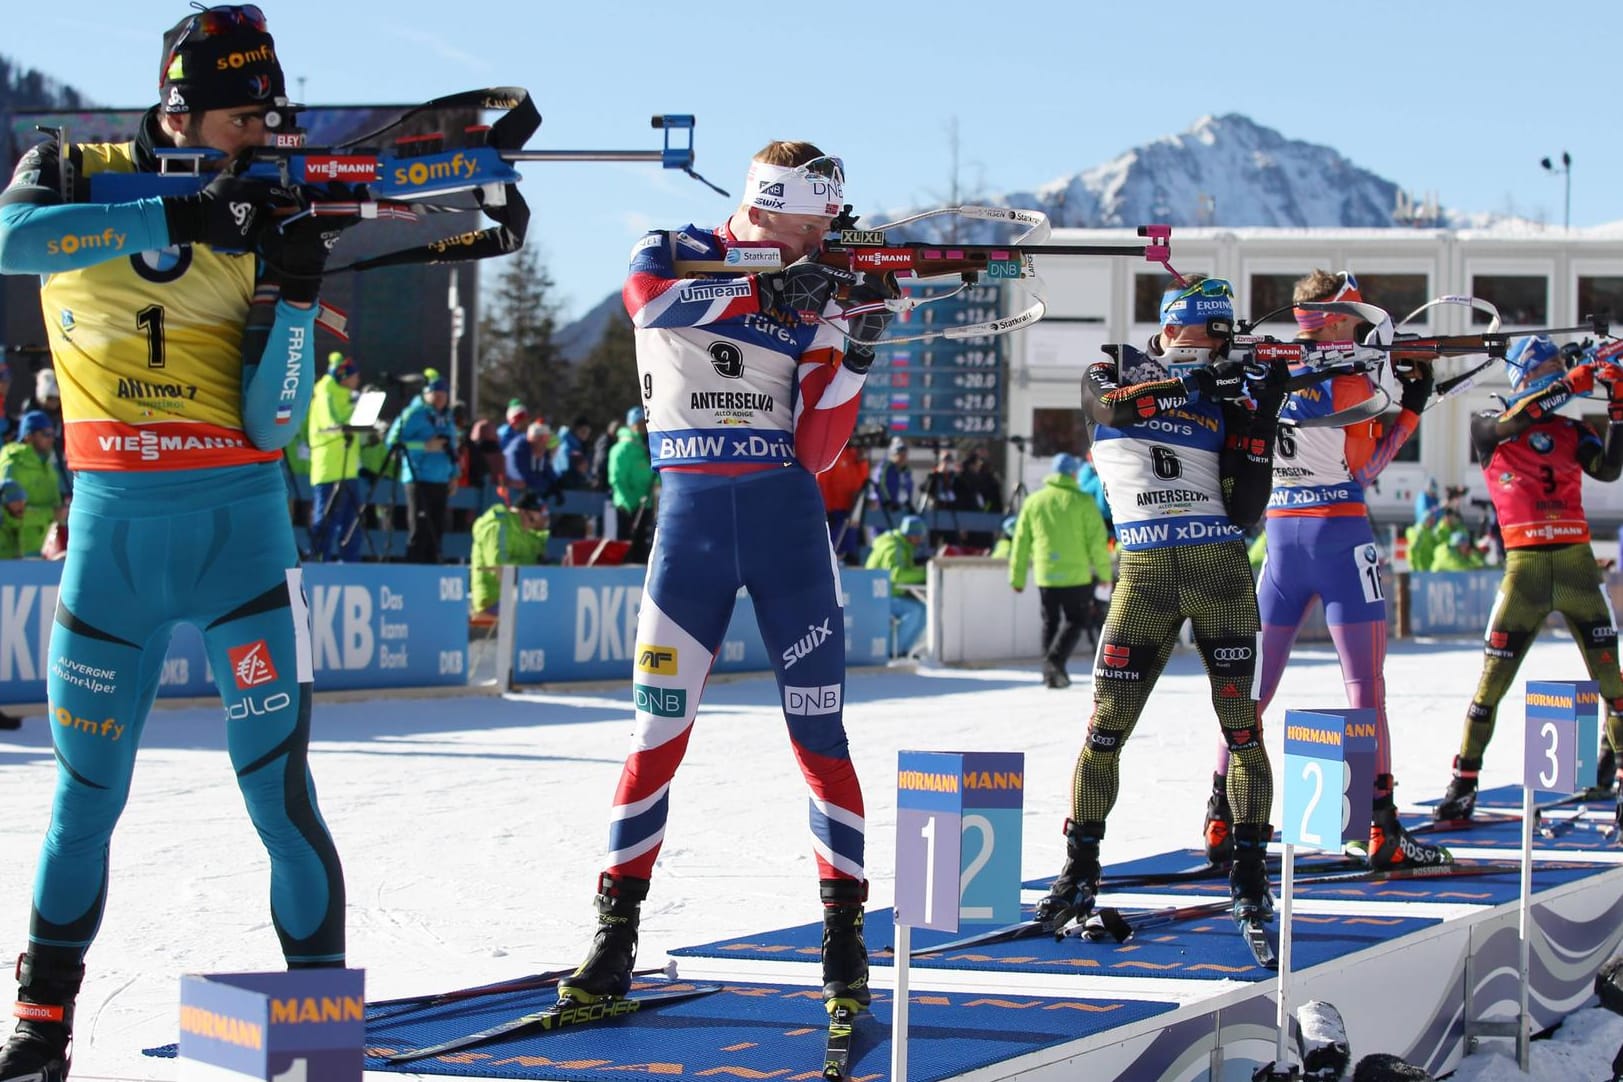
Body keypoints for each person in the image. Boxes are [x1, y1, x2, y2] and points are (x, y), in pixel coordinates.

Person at [0, 8, 350, 1077]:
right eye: (245, 117)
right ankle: (40, 1026)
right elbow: (14, 243)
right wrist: (189, 207)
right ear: (178, 109)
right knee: (83, 797)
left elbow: (275, 424)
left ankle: (316, 1037)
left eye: (269, 118)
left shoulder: (275, 204)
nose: (261, 137)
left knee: (278, 796)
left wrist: (293, 293)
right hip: (113, 535)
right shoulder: (69, 163)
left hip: (239, 533)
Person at [557, 141, 894, 1023]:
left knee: (821, 743)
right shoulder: (671, 247)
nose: (824, 234)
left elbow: (817, 451)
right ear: (769, 203)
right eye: (813, 218)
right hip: (691, 533)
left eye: (829, 221)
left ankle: (844, 940)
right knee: (654, 739)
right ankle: (614, 934)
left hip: (788, 533)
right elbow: (651, 303)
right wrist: (765, 290)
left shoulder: (818, 286)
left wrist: (852, 346)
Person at [1036, 275, 1288, 936]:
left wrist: (1260, 420)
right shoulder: (1114, 365)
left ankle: (1250, 876)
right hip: (1143, 574)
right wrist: (1188, 386)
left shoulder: (1225, 392)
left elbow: (1244, 508)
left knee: (1241, 729)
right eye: (1207, 333)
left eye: (1223, 338)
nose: (1214, 347)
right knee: (1104, 729)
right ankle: (1079, 869)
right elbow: (1111, 409)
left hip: (1218, 571)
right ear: (1173, 326)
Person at [1203, 270, 1449, 870]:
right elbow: (1368, 466)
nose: (1364, 324)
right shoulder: (1348, 382)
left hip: (1282, 541)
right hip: (1340, 536)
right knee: (1365, 688)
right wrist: (1411, 406)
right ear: (1336, 318)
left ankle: (1219, 817)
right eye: (1356, 316)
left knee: (1251, 689)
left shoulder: (1272, 375)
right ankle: (1382, 828)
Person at [1434, 335, 1623, 821]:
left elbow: (1608, 469)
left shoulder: (1571, 428)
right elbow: (1522, 419)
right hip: (1526, 569)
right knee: (1491, 683)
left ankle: (1617, 774)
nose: (1560, 377)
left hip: (1576, 561)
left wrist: (1619, 409)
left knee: (1612, 682)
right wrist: (1570, 382)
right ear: (1527, 375)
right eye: (1550, 370)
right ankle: (1464, 781)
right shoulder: (1489, 426)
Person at [1008, 451, 1112, 689]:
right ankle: (1055, 662)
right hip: (1077, 575)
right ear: (1074, 473)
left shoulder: (1034, 501)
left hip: (1046, 574)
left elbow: (1021, 541)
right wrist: (1105, 575)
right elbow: (1097, 543)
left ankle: (1049, 673)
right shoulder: (1083, 501)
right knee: (1077, 619)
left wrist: (1017, 576)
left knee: (1050, 622)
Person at [386, 371, 458, 564]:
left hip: (441, 479)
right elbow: (393, 443)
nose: (441, 399)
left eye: (444, 395)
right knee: (419, 530)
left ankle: (432, 574)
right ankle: (414, 572)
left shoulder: (447, 416)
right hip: (418, 478)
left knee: (437, 531)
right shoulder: (413, 414)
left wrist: (454, 475)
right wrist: (423, 446)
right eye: (436, 394)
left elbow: (452, 446)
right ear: (426, 394)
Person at [307, 352, 362, 562]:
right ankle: (320, 564)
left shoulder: (346, 397)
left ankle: (350, 566)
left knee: (352, 524)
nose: (357, 380)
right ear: (345, 376)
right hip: (329, 470)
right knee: (327, 522)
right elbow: (333, 425)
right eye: (354, 376)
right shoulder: (325, 394)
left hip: (348, 469)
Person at [469, 490, 550, 615]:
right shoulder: (497, 526)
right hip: (493, 600)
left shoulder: (531, 533)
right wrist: (533, 569)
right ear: (523, 512)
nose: (545, 517)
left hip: (519, 598)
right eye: (541, 512)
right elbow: (499, 568)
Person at [0, 412, 67, 558]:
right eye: (46, 434)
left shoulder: (47, 463)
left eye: (52, 434)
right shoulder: (13, 463)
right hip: (11, 555)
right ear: (28, 436)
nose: (51, 439)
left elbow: (54, 505)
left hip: (39, 551)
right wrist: (52, 514)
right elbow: (7, 513)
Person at [866, 514, 929, 657]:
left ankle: (904, 650)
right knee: (915, 611)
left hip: (889, 593)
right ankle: (893, 650)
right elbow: (897, 575)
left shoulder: (903, 545)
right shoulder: (894, 547)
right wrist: (926, 573)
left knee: (924, 610)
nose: (920, 540)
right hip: (876, 595)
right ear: (910, 535)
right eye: (918, 536)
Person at [607, 406, 654, 561]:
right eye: (639, 424)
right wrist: (627, 501)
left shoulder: (646, 447)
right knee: (624, 543)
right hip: (627, 506)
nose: (643, 428)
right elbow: (617, 478)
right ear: (632, 425)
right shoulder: (622, 449)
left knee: (642, 545)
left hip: (645, 503)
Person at [817, 442, 871, 565]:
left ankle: (849, 559)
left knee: (850, 541)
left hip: (852, 507)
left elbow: (863, 480)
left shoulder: (854, 455)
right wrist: (825, 508)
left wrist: (862, 461)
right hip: (834, 508)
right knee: (833, 542)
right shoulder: (833, 452)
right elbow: (822, 481)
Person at [955, 449, 1004, 549]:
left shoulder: (989, 480)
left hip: (986, 522)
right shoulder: (962, 480)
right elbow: (960, 502)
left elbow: (995, 501)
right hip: (968, 522)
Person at [504, 419, 558, 499]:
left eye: (546, 440)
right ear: (533, 438)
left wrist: (555, 484)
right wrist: (545, 485)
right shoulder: (518, 449)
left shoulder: (542, 451)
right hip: (509, 496)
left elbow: (547, 471)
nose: (545, 443)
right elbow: (522, 479)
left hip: (529, 497)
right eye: (542, 439)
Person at [871, 437, 913, 529]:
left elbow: (908, 487)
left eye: (904, 455)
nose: (903, 458)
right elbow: (879, 484)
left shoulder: (906, 470)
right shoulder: (886, 467)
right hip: (884, 510)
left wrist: (908, 502)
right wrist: (887, 501)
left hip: (899, 509)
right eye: (900, 455)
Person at [1076, 450, 1114, 540]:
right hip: (1100, 514)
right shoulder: (1086, 472)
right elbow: (1083, 492)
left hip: (1108, 513)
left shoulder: (1101, 470)